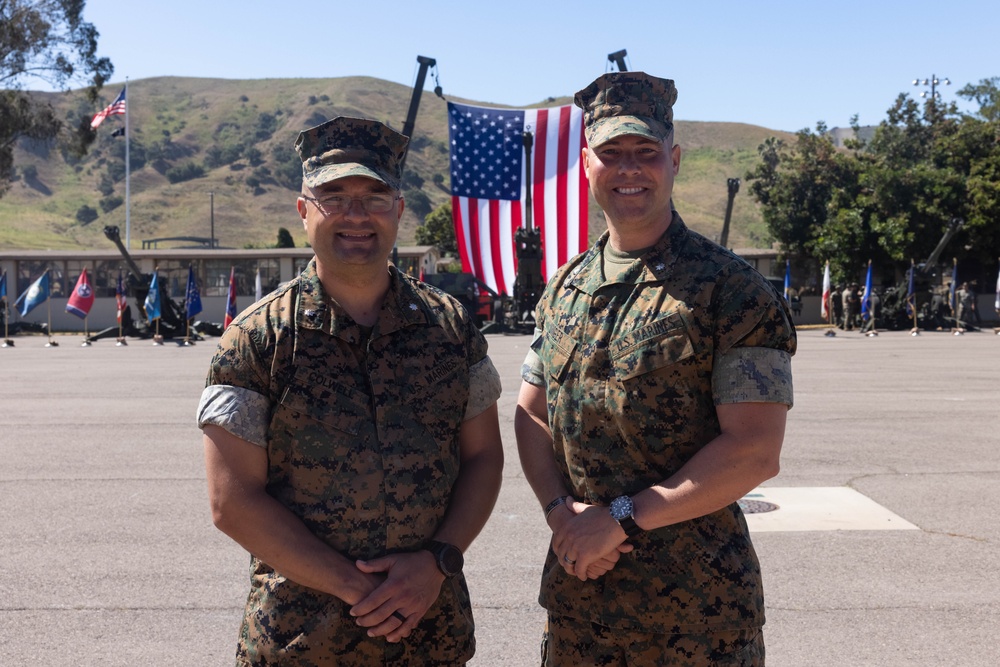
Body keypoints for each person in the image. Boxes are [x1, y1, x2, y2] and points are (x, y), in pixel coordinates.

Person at [197, 116, 504, 666]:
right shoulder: (255, 339)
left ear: (399, 210)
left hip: (430, 636)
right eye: (334, 195)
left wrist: (436, 563)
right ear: (303, 210)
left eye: (375, 195)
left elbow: (483, 458)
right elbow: (232, 501)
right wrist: (360, 590)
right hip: (301, 643)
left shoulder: (451, 329)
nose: (356, 214)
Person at [515, 72, 796, 666]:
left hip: (697, 622)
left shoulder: (731, 290)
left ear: (673, 159)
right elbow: (530, 413)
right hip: (580, 614)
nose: (629, 169)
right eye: (611, 154)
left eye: (645, 153)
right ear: (586, 162)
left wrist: (619, 519)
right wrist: (559, 514)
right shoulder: (564, 287)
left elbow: (754, 450)